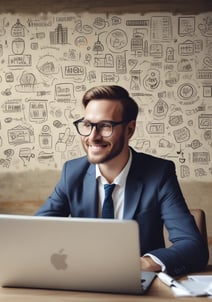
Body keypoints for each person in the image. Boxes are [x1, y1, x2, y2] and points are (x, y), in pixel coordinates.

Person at [36, 85, 209, 276]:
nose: (92, 137)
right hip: (84, 279)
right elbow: (36, 231)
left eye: (105, 126)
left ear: (129, 129)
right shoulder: (72, 172)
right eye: (87, 125)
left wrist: (143, 264)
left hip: (137, 283)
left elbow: (193, 247)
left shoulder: (159, 173)